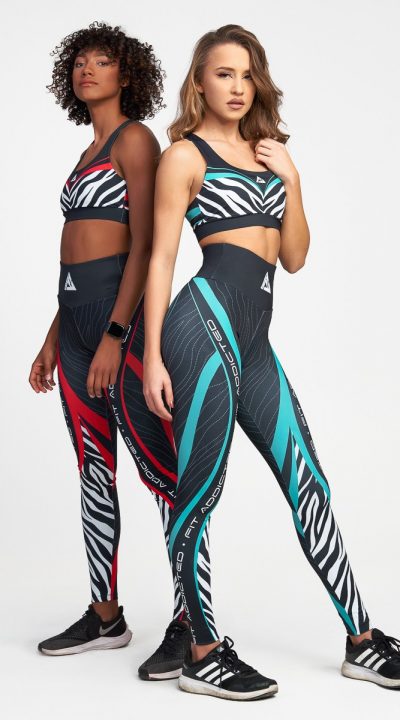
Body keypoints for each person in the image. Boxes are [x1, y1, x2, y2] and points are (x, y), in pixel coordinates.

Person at [143, 23, 400, 701]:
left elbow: (294, 257)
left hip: (255, 342)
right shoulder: (184, 156)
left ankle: (362, 640)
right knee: (201, 491)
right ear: (200, 82)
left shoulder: (270, 156)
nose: (236, 86)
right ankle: (202, 652)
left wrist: (293, 177)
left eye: (246, 74)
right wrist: (152, 356)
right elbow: (161, 259)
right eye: (223, 73)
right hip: (201, 329)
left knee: (308, 477)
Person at [29, 21, 191, 676]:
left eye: (102, 61)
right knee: (93, 470)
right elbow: (76, 256)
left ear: (127, 75)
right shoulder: (86, 152)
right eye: (79, 62)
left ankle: (191, 620)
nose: (87, 70)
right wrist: (53, 337)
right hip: (74, 323)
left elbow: (147, 245)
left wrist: (117, 336)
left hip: (116, 326)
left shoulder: (135, 140)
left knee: (164, 474)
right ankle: (106, 615)